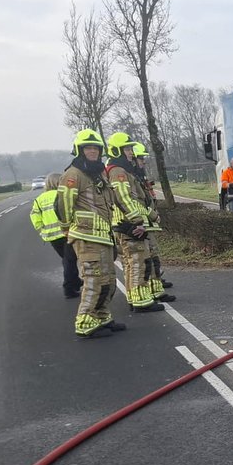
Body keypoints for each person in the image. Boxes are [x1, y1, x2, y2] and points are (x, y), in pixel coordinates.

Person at [56, 129, 126, 339]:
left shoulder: (99, 172)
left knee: (109, 280)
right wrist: (67, 229)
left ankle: (102, 317)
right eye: (88, 147)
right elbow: (63, 205)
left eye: (96, 148)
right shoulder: (73, 174)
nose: (93, 151)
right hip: (86, 237)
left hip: (103, 235)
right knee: (94, 280)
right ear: (79, 150)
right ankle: (86, 322)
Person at [105, 132, 165, 313]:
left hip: (128, 223)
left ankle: (138, 297)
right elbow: (123, 198)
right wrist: (138, 221)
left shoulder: (122, 170)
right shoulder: (118, 171)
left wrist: (148, 216)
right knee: (138, 263)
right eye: (127, 148)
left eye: (131, 148)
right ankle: (140, 301)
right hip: (128, 225)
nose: (131, 152)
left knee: (136, 263)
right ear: (118, 150)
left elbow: (137, 199)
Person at [129, 142, 175, 300]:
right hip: (140, 223)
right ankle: (150, 290)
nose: (143, 162)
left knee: (153, 254)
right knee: (145, 260)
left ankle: (156, 287)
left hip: (146, 222)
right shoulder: (129, 176)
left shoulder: (137, 175)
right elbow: (134, 201)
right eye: (141, 158)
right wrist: (150, 214)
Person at [29, 172, 81, 298]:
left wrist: (42, 230)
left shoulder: (39, 199)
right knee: (70, 261)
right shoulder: (62, 195)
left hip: (52, 237)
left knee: (68, 260)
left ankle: (76, 282)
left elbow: (35, 217)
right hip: (67, 233)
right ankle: (69, 288)